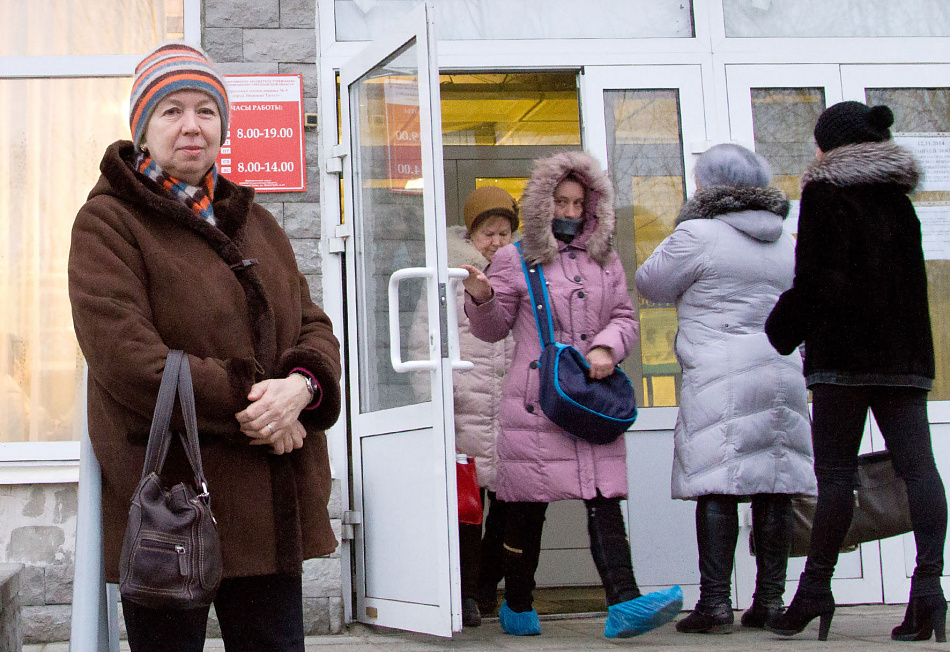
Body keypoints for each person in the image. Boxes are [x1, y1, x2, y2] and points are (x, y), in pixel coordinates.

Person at [67, 42, 342, 652]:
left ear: (223, 124)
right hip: (174, 504)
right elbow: (127, 360)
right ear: (142, 129)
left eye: (205, 110)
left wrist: (302, 388)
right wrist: (261, 406)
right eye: (170, 110)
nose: (192, 125)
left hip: (269, 508)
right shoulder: (109, 224)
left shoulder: (257, 223)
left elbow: (313, 327)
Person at [462, 151, 683, 638]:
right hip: (535, 399)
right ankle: (517, 605)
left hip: (592, 396)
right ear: (543, 204)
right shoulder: (513, 257)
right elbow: (494, 330)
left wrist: (608, 346)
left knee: (604, 497)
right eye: (560, 201)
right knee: (525, 506)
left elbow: (625, 316)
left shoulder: (605, 260)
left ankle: (624, 602)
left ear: (592, 206)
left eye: (578, 203)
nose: (569, 211)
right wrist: (481, 298)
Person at [765, 101, 947, 642]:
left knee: (837, 477)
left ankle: (816, 589)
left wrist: (781, 329)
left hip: (844, 357)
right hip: (903, 356)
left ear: (831, 145)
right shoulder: (898, 198)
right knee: (920, 471)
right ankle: (929, 590)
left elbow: (819, 278)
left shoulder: (825, 192)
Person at [635, 143, 816, 634]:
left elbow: (649, 282)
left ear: (709, 185)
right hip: (782, 369)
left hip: (719, 371)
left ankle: (715, 605)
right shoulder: (787, 238)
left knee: (718, 483)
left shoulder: (698, 234)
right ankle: (770, 603)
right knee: (774, 485)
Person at [407, 185, 519, 627]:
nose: (496, 241)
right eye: (488, 232)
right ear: (471, 234)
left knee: (508, 511)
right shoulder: (449, 276)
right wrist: (434, 401)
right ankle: (466, 593)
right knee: (468, 510)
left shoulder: (520, 276)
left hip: (510, 410)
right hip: (464, 407)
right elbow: (422, 340)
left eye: (505, 232)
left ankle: (489, 586)